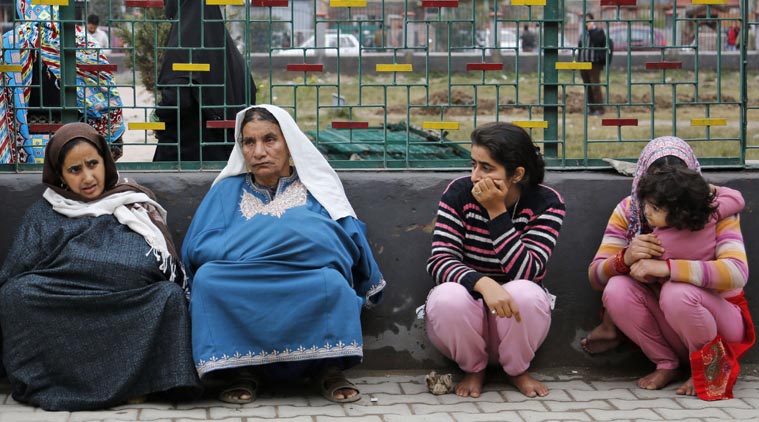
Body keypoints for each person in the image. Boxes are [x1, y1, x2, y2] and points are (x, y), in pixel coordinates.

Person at [182, 104, 386, 404]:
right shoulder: (225, 192)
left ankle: (326, 369)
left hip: (305, 279)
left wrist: (255, 242)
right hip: (243, 281)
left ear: (289, 144)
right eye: (249, 142)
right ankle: (241, 371)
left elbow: (342, 242)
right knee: (210, 280)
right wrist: (290, 238)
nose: (259, 151)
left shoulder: (318, 188)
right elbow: (198, 248)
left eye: (269, 140)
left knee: (331, 282)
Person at [0, 123, 201, 411]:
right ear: (60, 175)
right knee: (15, 295)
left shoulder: (133, 203)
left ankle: (141, 382)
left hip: (126, 305)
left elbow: (158, 266)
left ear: (106, 161)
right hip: (65, 307)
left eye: (93, 164)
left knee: (168, 297)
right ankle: (59, 383)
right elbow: (13, 270)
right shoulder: (44, 213)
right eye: (75, 170)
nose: (88, 177)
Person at [587, 136, 754, 399]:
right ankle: (666, 363)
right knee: (617, 288)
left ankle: (708, 369)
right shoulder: (630, 209)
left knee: (677, 292)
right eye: (653, 187)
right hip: (667, 323)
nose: (660, 196)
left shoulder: (713, 209)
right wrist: (626, 257)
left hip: (718, 321)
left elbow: (736, 272)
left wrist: (668, 268)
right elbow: (596, 276)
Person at [424, 122, 565, 398]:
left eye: (487, 168)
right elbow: (440, 261)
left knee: (525, 291)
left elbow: (527, 271)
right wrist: (483, 283)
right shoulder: (458, 193)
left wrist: (496, 211)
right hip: (465, 320)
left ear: (517, 174)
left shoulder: (547, 203)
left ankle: (516, 370)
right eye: (474, 164)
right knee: (446, 296)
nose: (476, 176)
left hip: (516, 324)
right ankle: (474, 369)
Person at [153, 0, 257, 162]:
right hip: (229, 157)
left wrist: (159, 116)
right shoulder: (229, 53)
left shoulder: (184, 44)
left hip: (189, 159)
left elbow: (177, 99)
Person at [577, 13, 609, 116]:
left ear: (592, 20)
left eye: (587, 20)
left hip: (594, 62)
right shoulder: (583, 33)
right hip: (583, 62)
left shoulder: (598, 32)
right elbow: (580, 48)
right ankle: (591, 108)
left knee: (595, 85)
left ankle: (600, 108)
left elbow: (599, 42)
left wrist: (591, 30)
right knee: (587, 86)